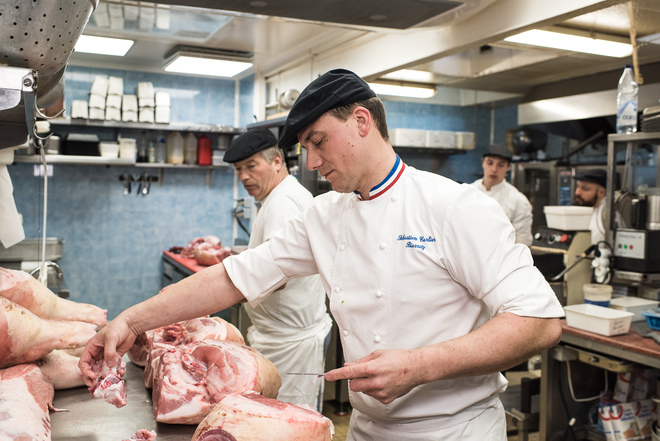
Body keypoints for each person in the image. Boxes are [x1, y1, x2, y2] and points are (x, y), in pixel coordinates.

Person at [80, 69, 563, 441]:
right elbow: (233, 278)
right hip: (367, 426)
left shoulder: (455, 207)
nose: (311, 163)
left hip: (454, 429)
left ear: (360, 121)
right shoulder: (325, 215)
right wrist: (131, 320)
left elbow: (540, 321)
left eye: (317, 142)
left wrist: (420, 366)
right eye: (305, 148)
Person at [222, 128, 332, 410]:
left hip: (290, 345)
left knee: (289, 422)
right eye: (238, 169)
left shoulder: (283, 202)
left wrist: (222, 286)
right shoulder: (279, 196)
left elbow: (275, 275)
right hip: (282, 337)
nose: (244, 176)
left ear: (276, 162)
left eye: (251, 166)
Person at [471, 144, 533, 246]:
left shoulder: (518, 200)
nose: (494, 169)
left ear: (508, 167)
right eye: (490, 163)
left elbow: (523, 241)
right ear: (483, 163)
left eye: (501, 165)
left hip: (501, 259)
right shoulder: (468, 192)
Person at [573, 168, 607, 245]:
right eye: (577, 187)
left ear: (601, 192)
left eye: (585, 189)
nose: (577, 192)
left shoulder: (606, 213)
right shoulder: (589, 208)